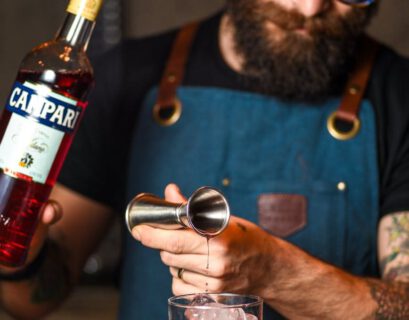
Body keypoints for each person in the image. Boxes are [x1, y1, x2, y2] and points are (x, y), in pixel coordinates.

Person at [1, 0, 409, 318]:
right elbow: (33, 301)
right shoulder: (128, 77)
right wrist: (23, 255)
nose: (310, 8)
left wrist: (276, 273)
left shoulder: (398, 95)